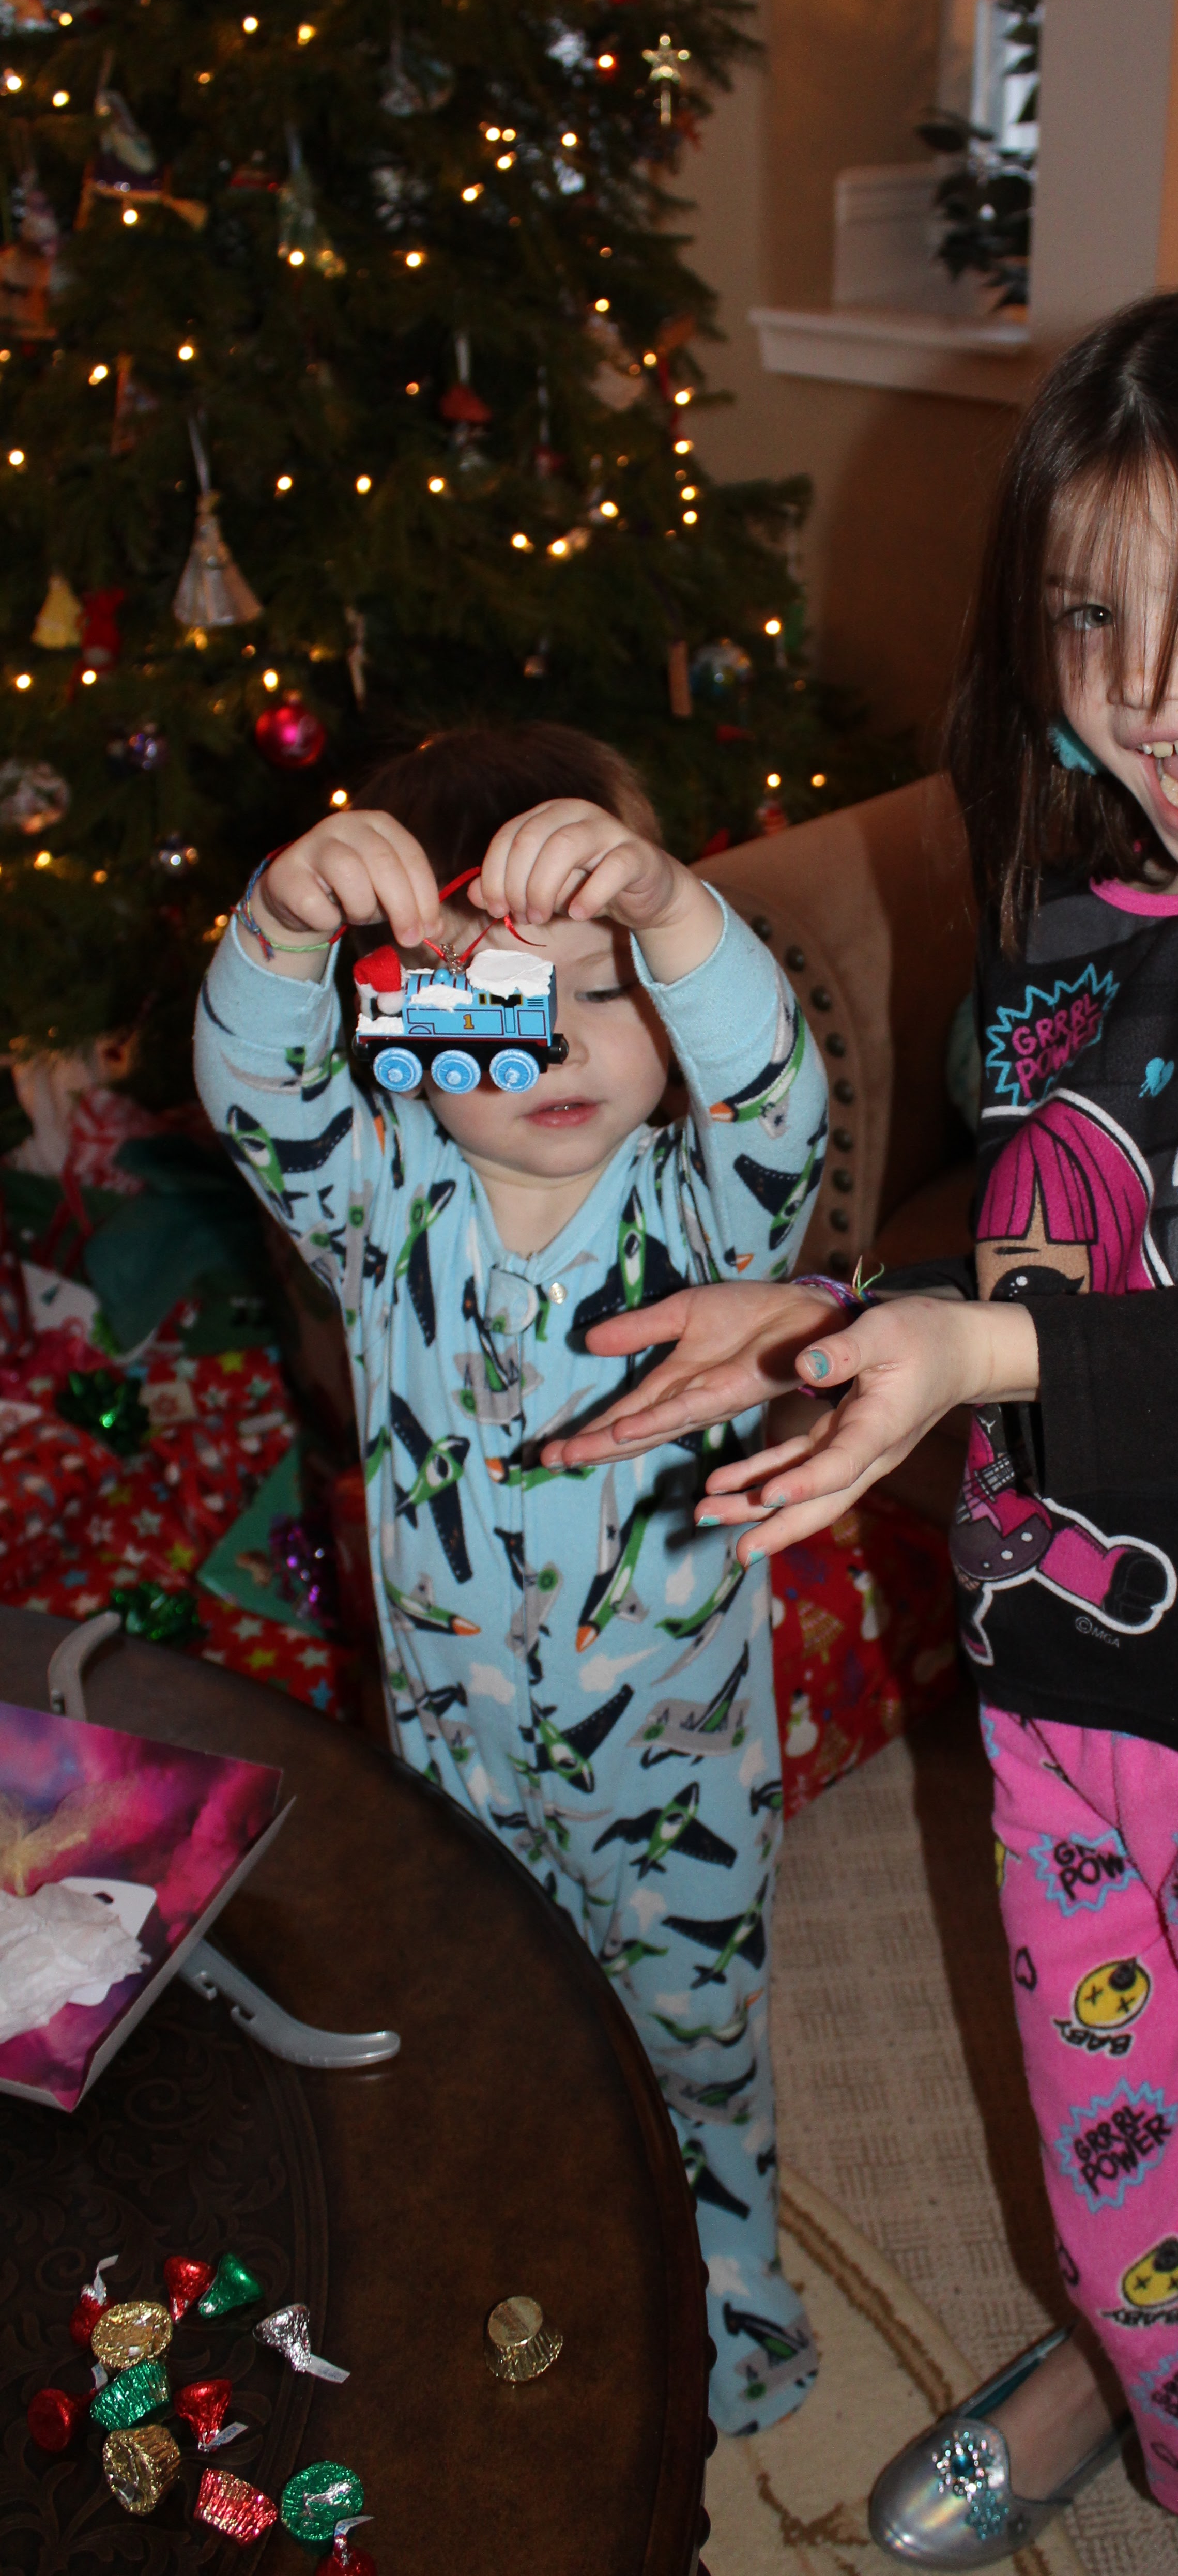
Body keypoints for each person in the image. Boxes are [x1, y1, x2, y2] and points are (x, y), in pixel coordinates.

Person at [545, 290, 1178, 2573]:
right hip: (1061, 1686)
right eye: (1092, 617)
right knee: (1141, 2172)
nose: (1146, 683)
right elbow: (1044, 1288)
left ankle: (1168, 2379)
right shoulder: (1064, 927)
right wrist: (840, 1325)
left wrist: (971, 1358)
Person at [193, 723, 829, 2436]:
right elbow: (258, 1092)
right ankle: (559, 2240)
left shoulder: (711, 1219)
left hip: (679, 1773)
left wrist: (675, 911)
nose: (559, 1042)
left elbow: (777, 1098)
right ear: (402, 1036)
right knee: (503, 2023)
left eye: (610, 990)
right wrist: (283, 925)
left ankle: (733, 2290)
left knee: (699, 2045)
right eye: (495, 1007)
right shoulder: (380, 1207)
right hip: (458, 1769)